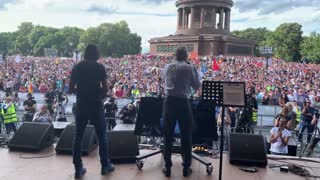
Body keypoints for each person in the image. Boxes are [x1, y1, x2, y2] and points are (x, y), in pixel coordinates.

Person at [69, 44, 114, 179]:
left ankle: (78, 168)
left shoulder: (77, 67)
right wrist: (97, 94)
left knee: (78, 136)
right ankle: (105, 166)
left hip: (81, 104)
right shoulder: (99, 67)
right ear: (97, 54)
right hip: (95, 105)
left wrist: (82, 92)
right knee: (101, 135)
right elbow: (105, 88)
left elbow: (71, 89)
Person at [161, 47, 201, 177]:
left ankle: (167, 167)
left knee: (168, 136)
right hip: (184, 103)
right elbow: (196, 85)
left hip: (169, 102)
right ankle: (186, 167)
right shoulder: (190, 68)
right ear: (186, 56)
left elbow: (164, 80)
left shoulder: (168, 67)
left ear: (175, 56)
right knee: (186, 135)